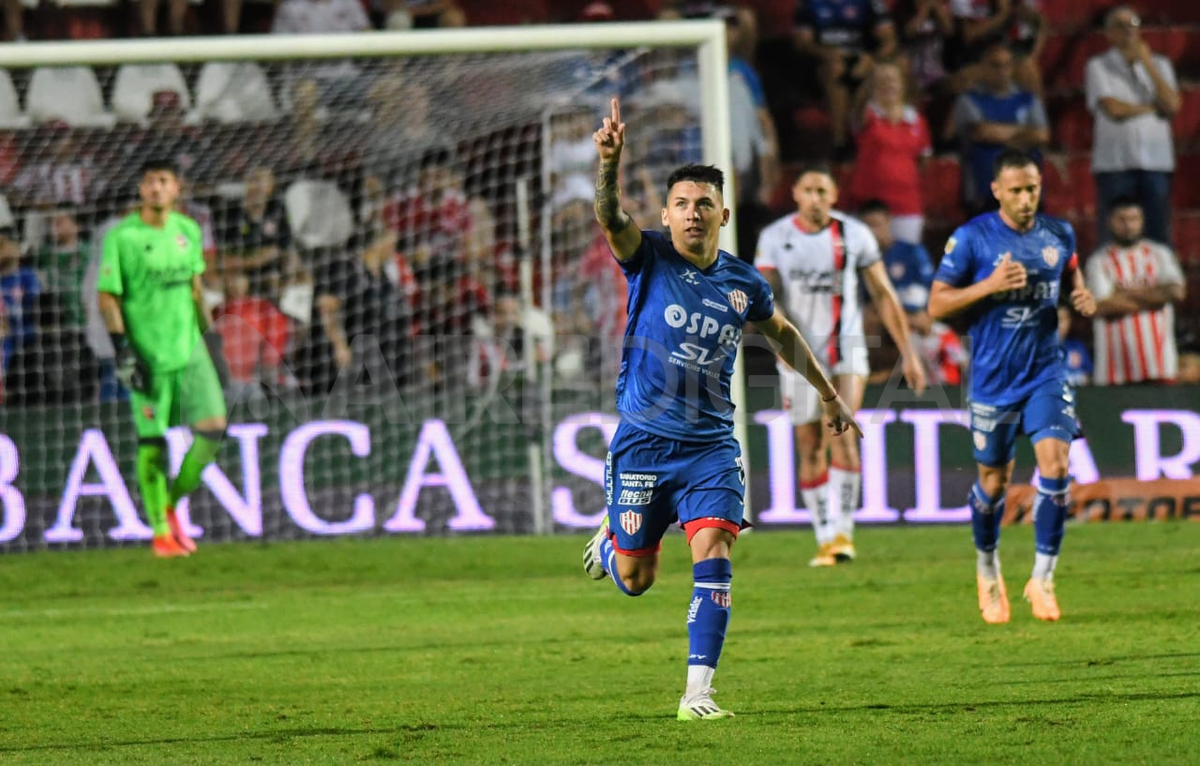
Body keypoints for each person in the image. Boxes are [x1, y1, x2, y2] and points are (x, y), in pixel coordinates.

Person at [581, 98, 859, 721]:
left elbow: (782, 333)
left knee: (714, 552)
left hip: (711, 447)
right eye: (681, 204)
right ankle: (610, 545)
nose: (692, 213)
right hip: (645, 442)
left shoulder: (742, 282)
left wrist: (828, 391)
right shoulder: (647, 256)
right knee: (636, 579)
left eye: (703, 203)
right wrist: (608, 165)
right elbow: (609, 215)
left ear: (722, 214)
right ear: (666, 215)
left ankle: (697, 694)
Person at [927, 148, 1096, 624]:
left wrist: (1079, 296)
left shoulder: (1058, 233)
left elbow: (1071, 278)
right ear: (997, 190)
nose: (1026, 198)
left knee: (1056, 465)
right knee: (994, 482)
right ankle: (987, 567)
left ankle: (1042, 578)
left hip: (1046, 372)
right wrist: (990, 285)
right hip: (993, 380)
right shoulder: (972, 239)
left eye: (1033, 189)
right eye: (1017, 190)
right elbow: (936, 307)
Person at [756, 171, 926, 568]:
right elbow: (765, 297)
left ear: (834, 195)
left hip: (846, 348)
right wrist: (778, 341)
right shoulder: (774, 237)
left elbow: (884, 294)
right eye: (808, 191)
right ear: (795, 194)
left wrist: (910, 353)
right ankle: (823, 536)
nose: (815, 198)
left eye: (823, 191)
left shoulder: (854, 235)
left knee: (842, 433)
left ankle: (844, 535)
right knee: (809, 444)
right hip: (798, 353)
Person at [97, 158, 229, 559]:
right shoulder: (123, 237)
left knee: (213, 429)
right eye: (149, 181)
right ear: (140, 190)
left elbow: (194, 290)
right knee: (152, 442)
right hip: (148, 356)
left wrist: (211, 338)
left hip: (190, 351)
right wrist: (122, 349)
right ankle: (159, 534)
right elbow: (107, 296)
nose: (156, 188)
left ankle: (170, 504)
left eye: (163, 181)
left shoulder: (187, 231)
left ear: (176, 189)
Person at [1085, 5, 1180, 246]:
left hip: (1156, 162)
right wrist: (1150, 108)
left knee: (1158, 235)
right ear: (1108, 33)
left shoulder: (1160, 63)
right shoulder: (1099, 66)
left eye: (1133, 24)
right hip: (1115, 163)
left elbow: (1171, 105)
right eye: (1120, 25)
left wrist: (1147, 63)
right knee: (1113, 237)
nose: (1128, 30)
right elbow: (1113, 109)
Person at [1085, 196, 1186, 386]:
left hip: (1159, 365)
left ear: (1142, 220)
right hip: (1114, 370)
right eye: (1122, 219)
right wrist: (1155, 294)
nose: (1128, 225)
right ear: (1110, 221)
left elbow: (1175, 293)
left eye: (1134, 219)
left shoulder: (1160, 254)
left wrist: (1125, 293)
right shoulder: (1098, 261)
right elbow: (1100, 306)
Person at [950, 41, 1049, 217]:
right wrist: (1023, 133)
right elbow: (982, 132)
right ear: (982, 68)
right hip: (985, 188)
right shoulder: (969, 100)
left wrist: (999, 133)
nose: (1002, 71)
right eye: (995, 65)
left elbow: (1041, 135)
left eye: (1007, 65)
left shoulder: (1029, 99)